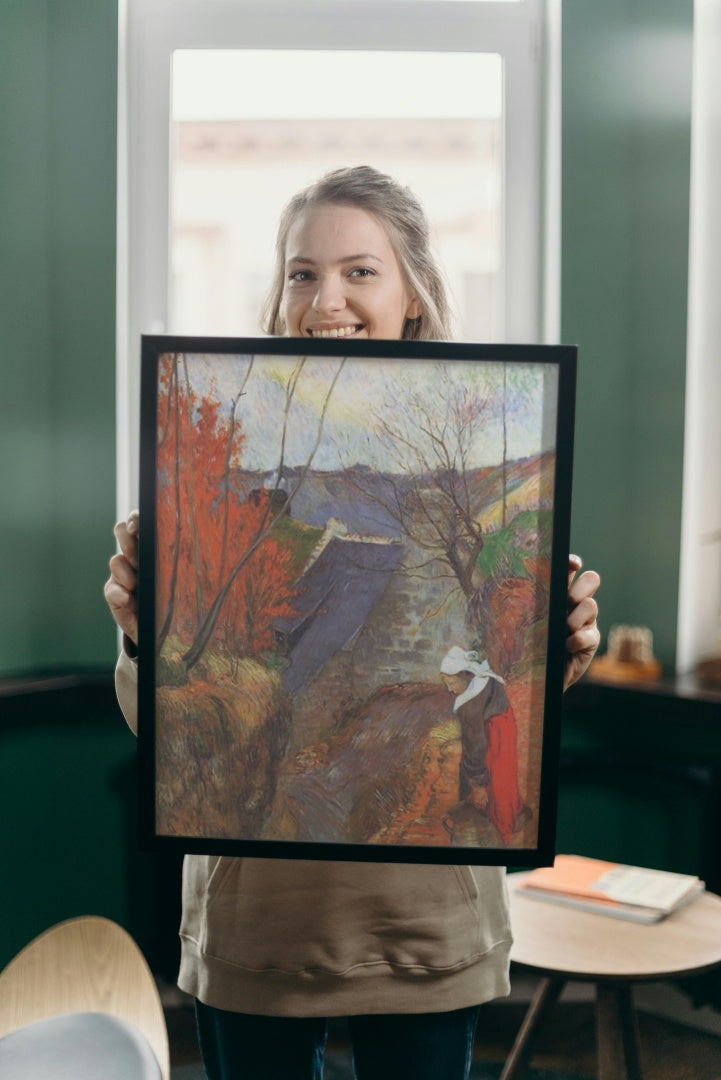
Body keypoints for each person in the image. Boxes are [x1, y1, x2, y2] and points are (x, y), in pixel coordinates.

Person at [105, 166, 601, 1080]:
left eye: (358, 271)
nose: (324, 297)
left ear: (412, 292)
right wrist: (146, 636)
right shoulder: (212, 456)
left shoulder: (490, 428)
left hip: (424, 926)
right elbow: (171, 734)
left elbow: (513, 715)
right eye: (301, 272)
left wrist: (555, 646)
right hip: (256, 927)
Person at [439, 647, 529, 847]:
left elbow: (475, 747)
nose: (449, 689)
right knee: (504, 775)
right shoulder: (482, 681)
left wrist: (478, 784)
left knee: (499, 781)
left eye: (452, 683)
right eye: (446, 684)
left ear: (465, 676)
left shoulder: (469, 707)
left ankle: (502, 835)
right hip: (504, 721)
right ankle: (512, 813)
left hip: (497, 731)